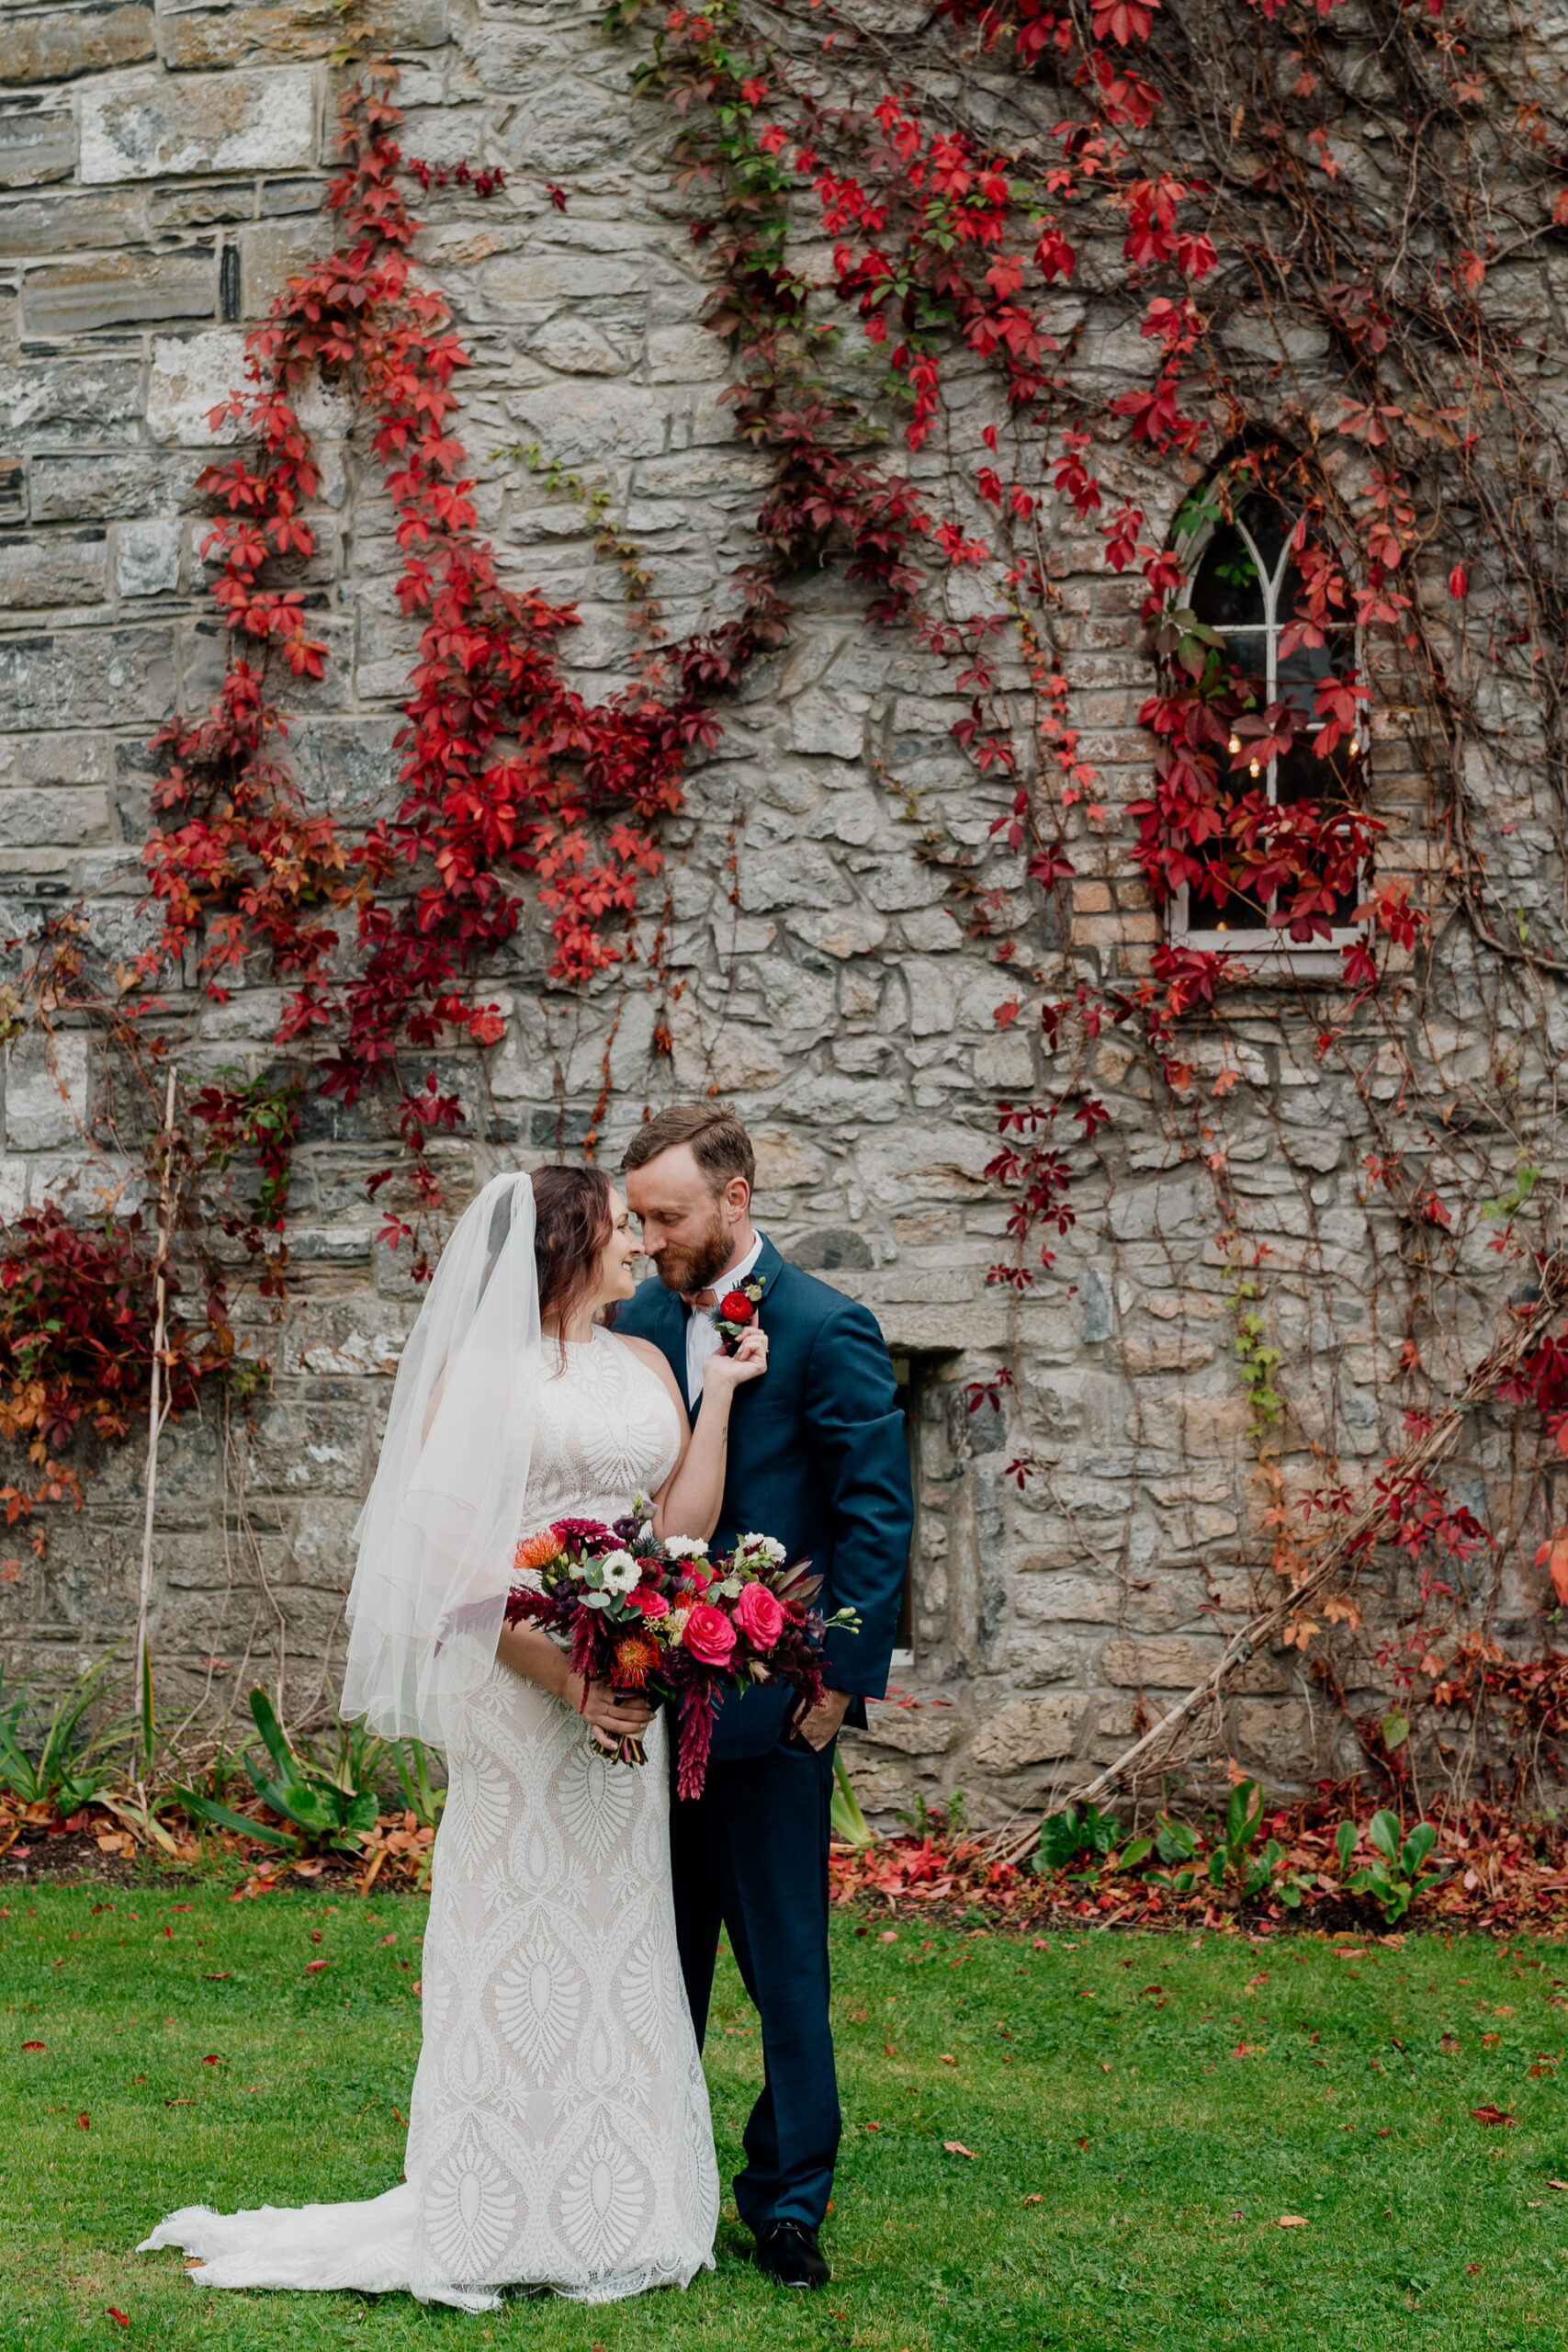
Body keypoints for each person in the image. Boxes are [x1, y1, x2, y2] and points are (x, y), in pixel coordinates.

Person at [140, 1165, 767, 2312]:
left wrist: (717, 1395)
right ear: (568, 1244)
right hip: (516, 1682)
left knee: (615, 1925)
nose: (640, 1246)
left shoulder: (644, 1363)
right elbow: (445, 1570)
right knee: (517, 1916)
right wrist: (571, 1674)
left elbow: (676, 1524)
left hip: (620, 1685)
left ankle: (615, 2202)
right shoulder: (481, 1378)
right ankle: (493, 2200)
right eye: (623, 1230)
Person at [617, 1103, 913, 2290]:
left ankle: (787, 2201)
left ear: (734, 1200)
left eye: (666, 1216)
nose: (646, 1241)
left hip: (776, 1710)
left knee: (783, 1966)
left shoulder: (827, 1328)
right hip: (644, 1715)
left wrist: (836, 1686)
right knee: (656, 1959)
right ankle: (660, 2178)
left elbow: (874, 1519)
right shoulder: (634, 1327)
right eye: (635, 1218)